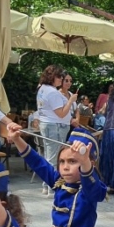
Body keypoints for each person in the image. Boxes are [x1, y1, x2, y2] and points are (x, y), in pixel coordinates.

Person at [34, 65, 74, 193]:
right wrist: (70, 101)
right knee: (54, 158)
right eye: (59, 76)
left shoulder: (42, 88)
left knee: (49, 156)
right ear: (52, 77)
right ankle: (52, 186)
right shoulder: (52, 92)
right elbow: (61, 113)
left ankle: (46, 185)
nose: (61, 79)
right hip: (55, 126)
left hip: (48, 124)